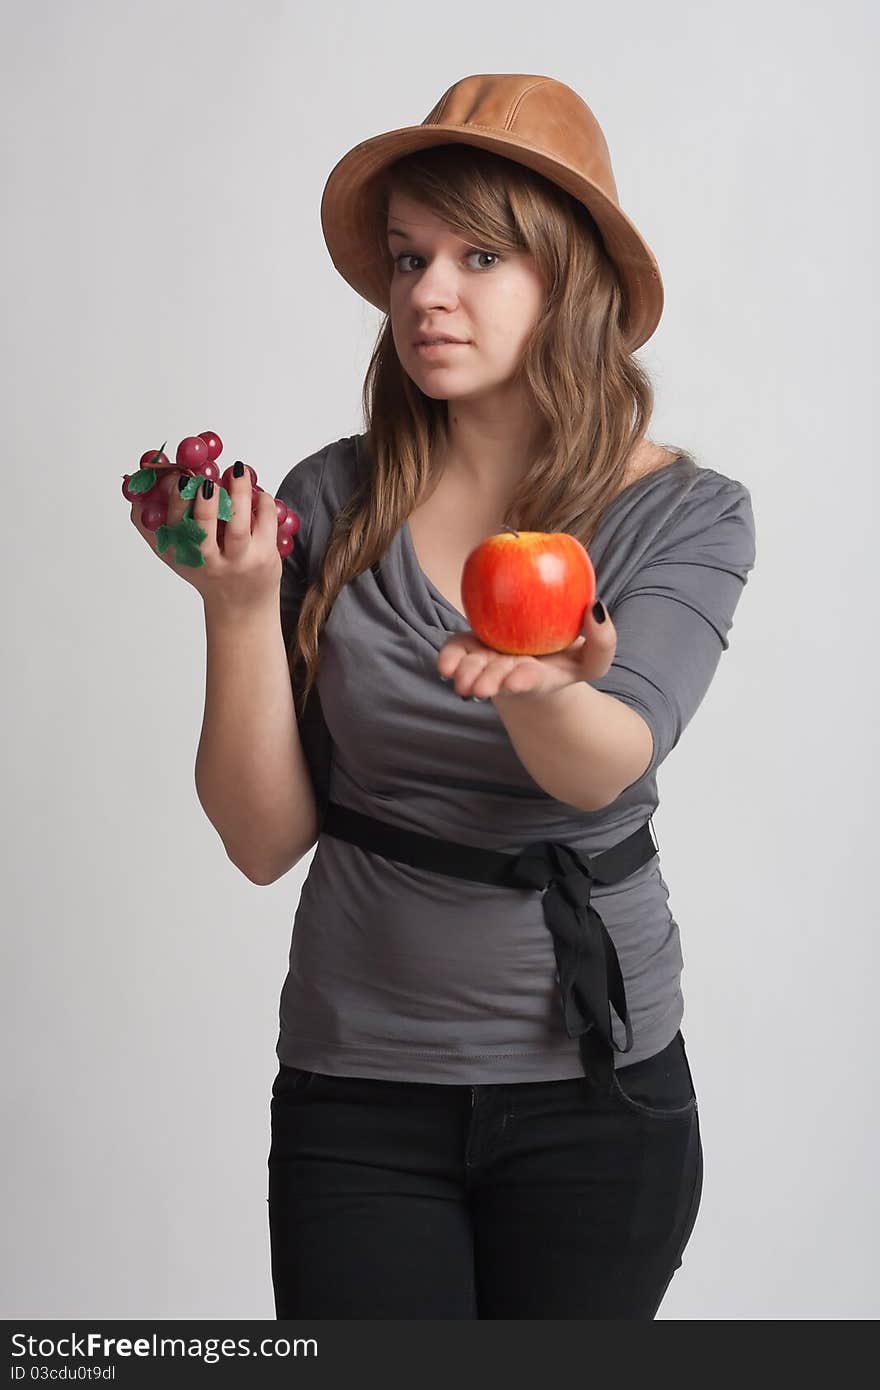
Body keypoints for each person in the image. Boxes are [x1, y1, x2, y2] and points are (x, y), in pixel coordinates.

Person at [131, 74, 756, 1319]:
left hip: (599, 1092)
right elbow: (262, 843)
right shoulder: (330, 497)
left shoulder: (684, 514)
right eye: (410, 256)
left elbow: (602, 763)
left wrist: (534, 688)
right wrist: (238, 605)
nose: (426, 292)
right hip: (354, 1086)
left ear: (566, 277)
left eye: (479, 254)